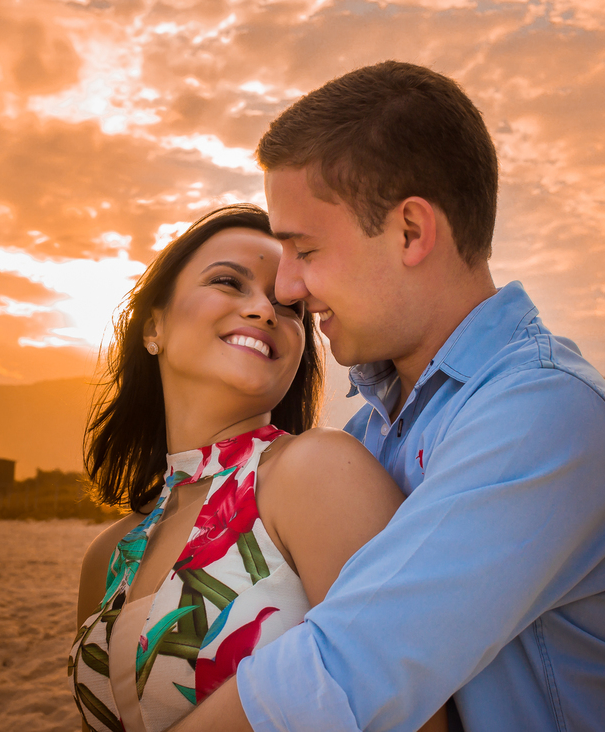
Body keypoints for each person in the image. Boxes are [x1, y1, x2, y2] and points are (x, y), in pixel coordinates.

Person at [168, 63, 605, 731]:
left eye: (305, 249)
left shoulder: (546, 413)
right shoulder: (371, 432)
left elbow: (348, 671)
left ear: (410, 231)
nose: (286, 287)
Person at [68, 204, 449, 732]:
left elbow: (413, 714)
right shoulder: (107, 557)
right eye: (228, 282)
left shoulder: (316, 472)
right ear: (153, 325)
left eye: (288, 306)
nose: (265, 311)